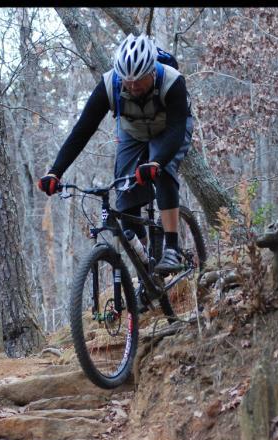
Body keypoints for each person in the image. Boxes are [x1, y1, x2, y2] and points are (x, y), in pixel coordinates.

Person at [38, 33, 193, 300]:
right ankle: (146, 260)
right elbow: (82, 131)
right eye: (127, 81)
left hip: (169, 131)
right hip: (133, 133)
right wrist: (56, 171)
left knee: (164, 171)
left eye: (138, 81)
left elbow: (178, 128)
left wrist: (156, 162)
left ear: (151, 72)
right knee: (124, 195)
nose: (132, 86)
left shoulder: (171, 80)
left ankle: (171, 247)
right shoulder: (110, 85)